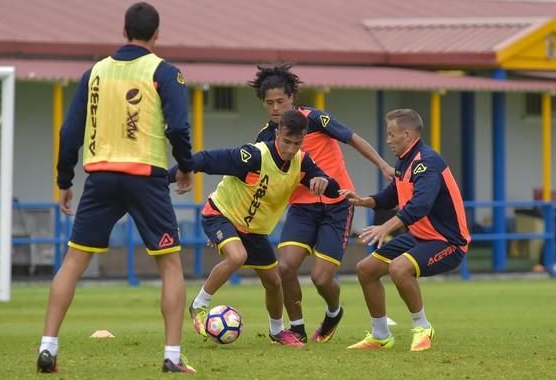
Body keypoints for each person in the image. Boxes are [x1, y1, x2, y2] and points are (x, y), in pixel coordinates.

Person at [37, 2, 196, 374]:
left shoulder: (95, 73)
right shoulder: (164, 72)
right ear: (157, 34)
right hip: (146, 177)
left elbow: (68, 131)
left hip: (100, 177)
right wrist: (186, 168)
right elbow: (177, 128)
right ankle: (172, 356)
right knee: (170, 265)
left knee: (73, 262)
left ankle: (48, 348)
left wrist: (64, 180)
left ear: (124, 31)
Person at [248, 64, 395, 343]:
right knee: (286, 267)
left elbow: (353, 139)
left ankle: (333, 311)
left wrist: (383, 166)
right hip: (301, 209)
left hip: (337, 205)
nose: (276, 108)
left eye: (281, 101)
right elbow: (256, 182)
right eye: (270, 103)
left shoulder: (315, 119)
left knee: (321, 278)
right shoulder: (265, 138)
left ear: (292, 97)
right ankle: (298, 329)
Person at [181, 109, 340, 347]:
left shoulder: (302, 161)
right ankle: (199, 305)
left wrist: (325, 182)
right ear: (277, 133)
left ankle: (277, 331)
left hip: (254, 230)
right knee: (237, 256)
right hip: (220, 214)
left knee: (274, 282)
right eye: (286, 141)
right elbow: (206, 159)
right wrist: (175, 174)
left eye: (296, 143)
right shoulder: (253, 155)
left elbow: (333, 188)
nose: (290, 148)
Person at [342, 108, 470, 351]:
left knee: (399, 268)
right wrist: (362, 200)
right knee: (366, 269)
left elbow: (419, 206)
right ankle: (380, 335)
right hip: (421, 237)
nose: (388, 140)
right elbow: (391, 196)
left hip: (448, 242)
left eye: (391, 134)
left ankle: (423, 327)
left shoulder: (427, 162)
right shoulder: (405, 162)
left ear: (408, 135)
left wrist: (385, 227)